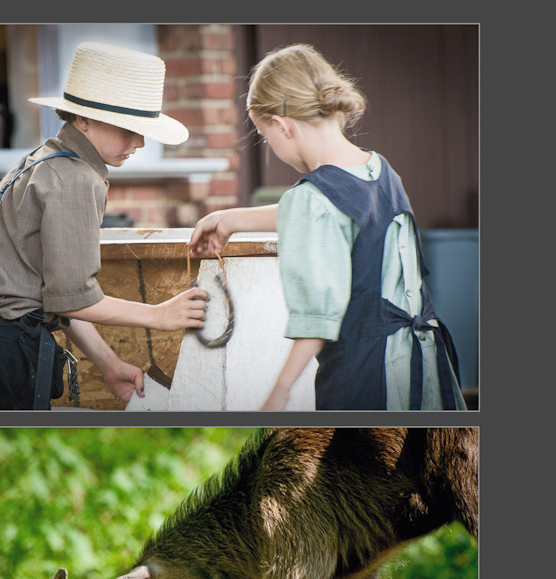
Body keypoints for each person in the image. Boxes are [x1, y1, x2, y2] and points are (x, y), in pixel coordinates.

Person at [0, 42, 208, 410]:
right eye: (127, 128)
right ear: (83, 118)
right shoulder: (76, 177)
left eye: (142, 131)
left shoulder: (45, 158)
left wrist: (108, 366)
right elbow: (75, 299)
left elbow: (57, 297)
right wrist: (158, 315)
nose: (138, 142)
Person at [189, 44, 466, 411]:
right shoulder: (380, 170)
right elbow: (337, 215)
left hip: (370, 377)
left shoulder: (314, 200)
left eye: (265, 137)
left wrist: (280, 391)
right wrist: (232, 219)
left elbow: (317, 319)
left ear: (282, 126)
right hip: (426, 364)